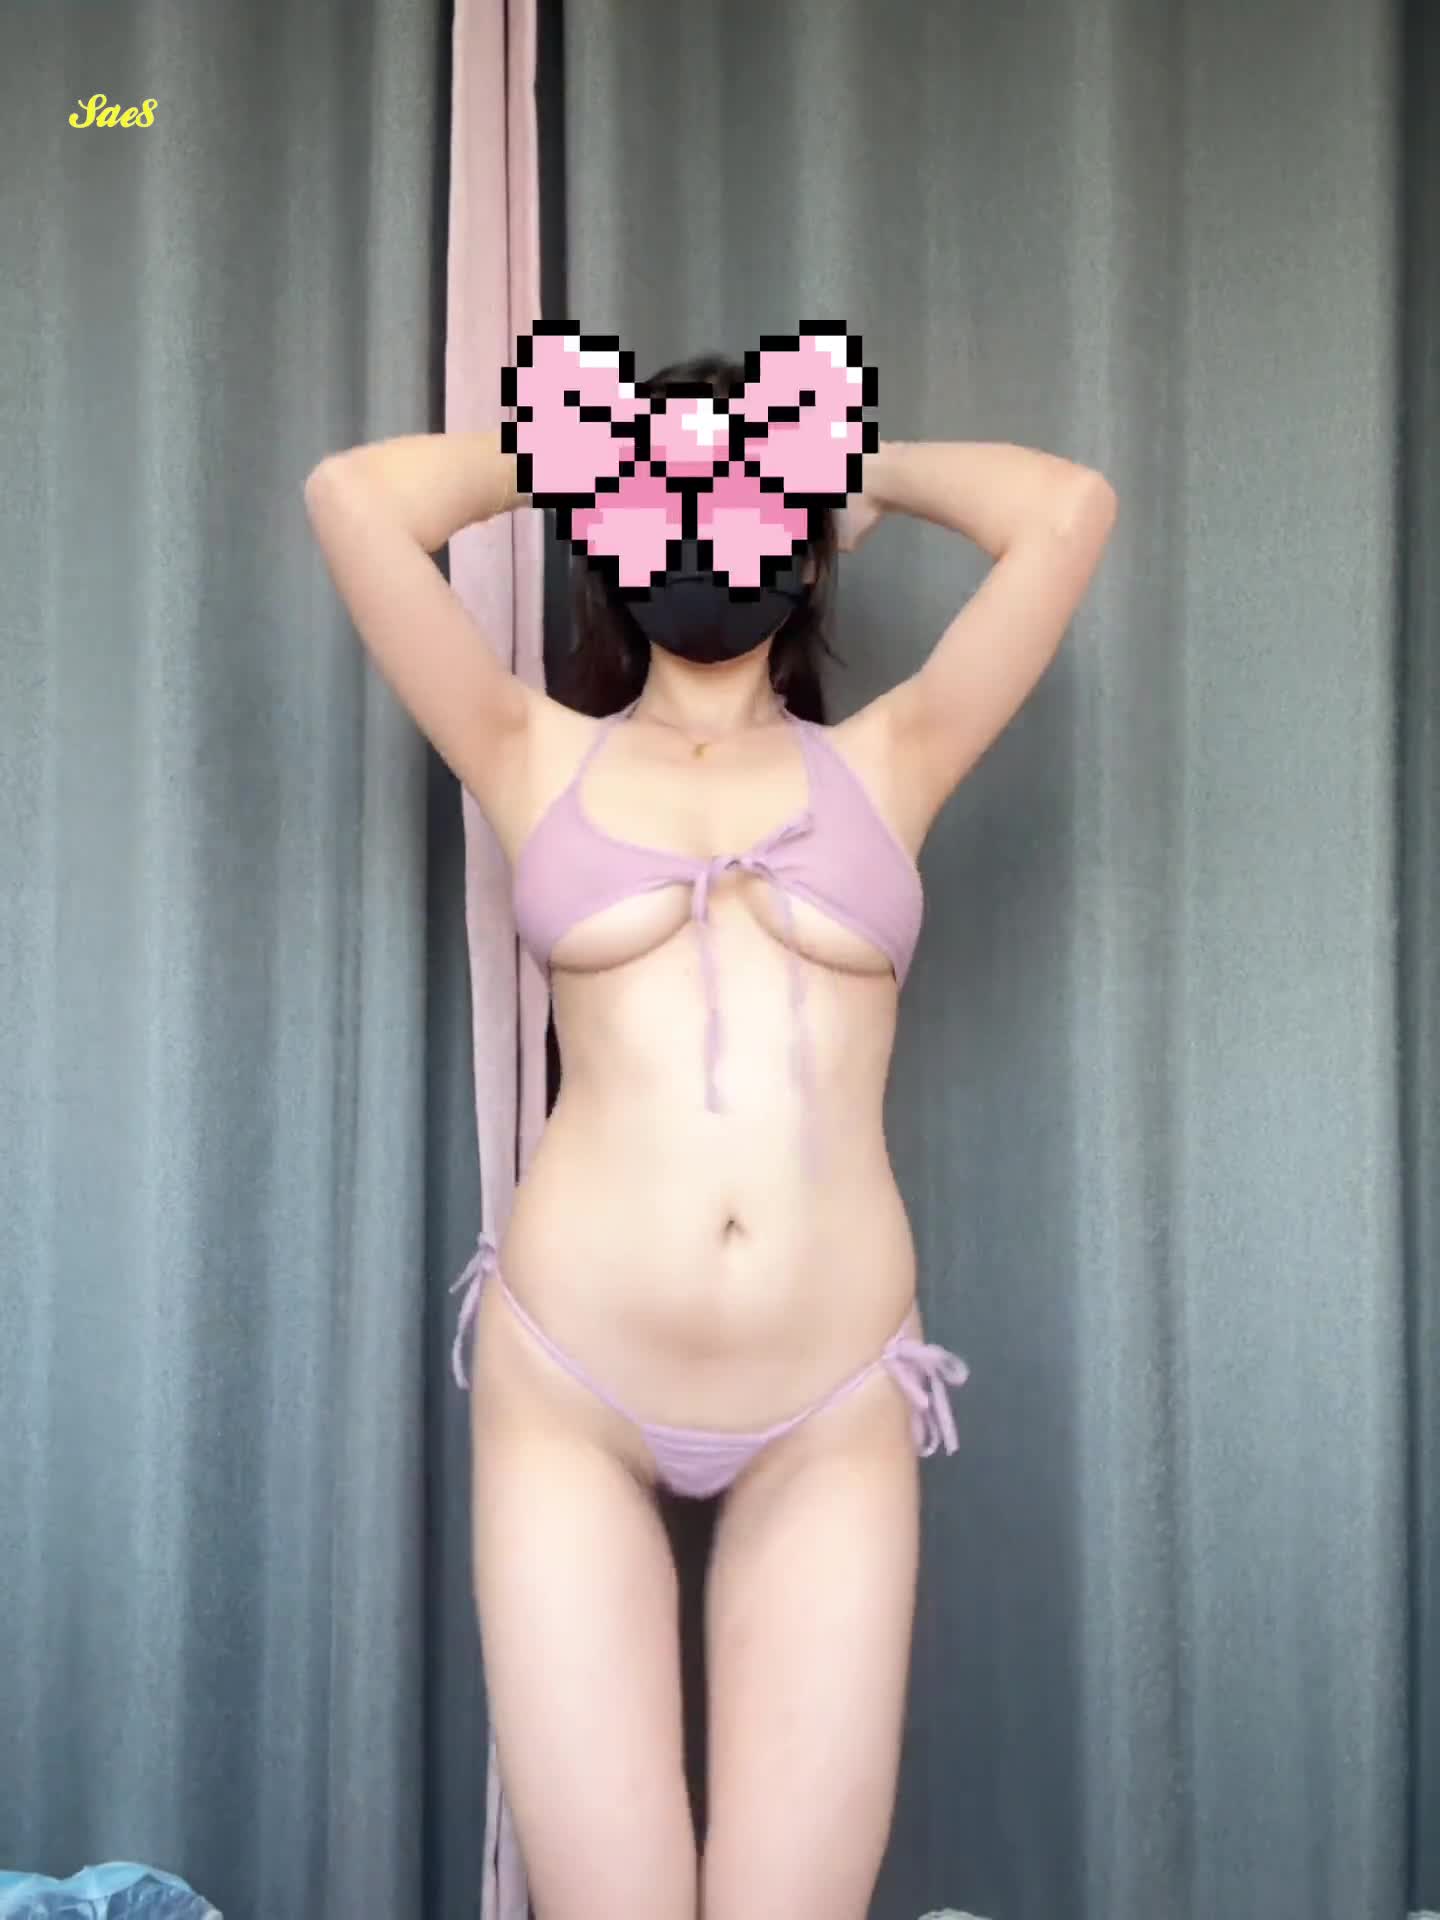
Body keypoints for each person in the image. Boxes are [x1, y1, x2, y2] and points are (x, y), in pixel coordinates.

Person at [303, 350, 1116, 1920]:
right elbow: (353, 500)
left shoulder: (894, 757)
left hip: (829, 1406)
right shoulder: (526, 747)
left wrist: (847, 470)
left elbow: (1069, 510)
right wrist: (584, 454)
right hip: (574, 1394)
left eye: (739, 490)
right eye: (663, 499)